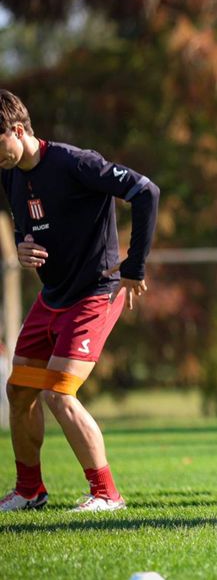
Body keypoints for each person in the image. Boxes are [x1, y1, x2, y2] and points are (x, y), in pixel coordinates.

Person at [0, 89, 159, 512]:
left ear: (18, 130)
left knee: (58, 394)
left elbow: (146, 192)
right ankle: (29, 490)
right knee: (19, 391)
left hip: (94, 293)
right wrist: (22, 246)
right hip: (51, 297)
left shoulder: (75, 162)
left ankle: (107, 494)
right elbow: (25, 224)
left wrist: (134, 267)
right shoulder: (9, 172)